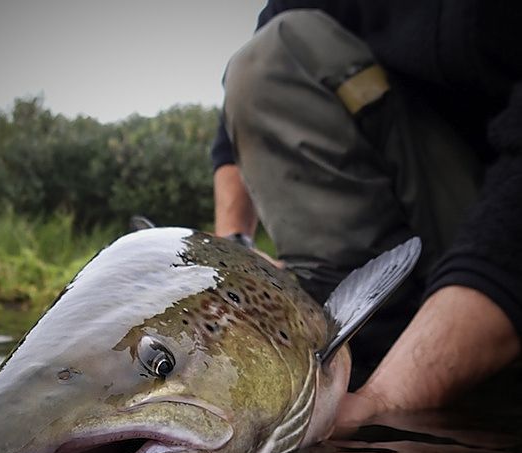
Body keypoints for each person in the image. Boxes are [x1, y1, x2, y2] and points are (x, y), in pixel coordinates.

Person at [212, 2, 521, 430]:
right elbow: (227, 140)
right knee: (268, 57)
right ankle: (360, 330)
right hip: (412, 170)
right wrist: (233, 249)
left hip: (496, 209)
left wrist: (386, 398)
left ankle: (425, 346)